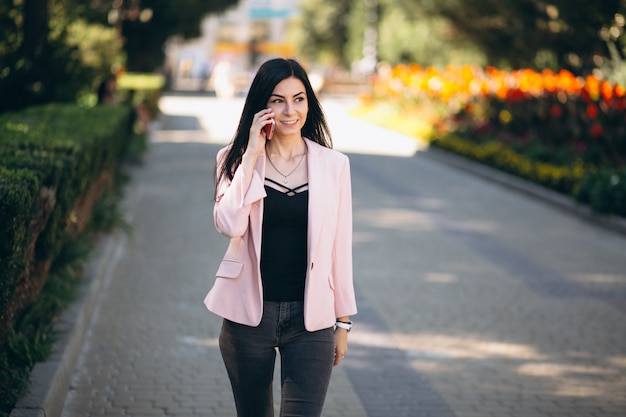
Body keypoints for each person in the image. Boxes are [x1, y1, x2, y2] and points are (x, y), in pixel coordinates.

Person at [204, 58, 357, 417]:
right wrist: (252, 154)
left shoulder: (334, 165)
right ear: (262, 105)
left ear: (309, 103)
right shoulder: (233, 159)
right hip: (248, 319)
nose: (290, 110)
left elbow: (340, 250)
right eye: (278, 100)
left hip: (311, 320)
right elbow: (229, 224)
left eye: (299, 99)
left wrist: (344, 322)